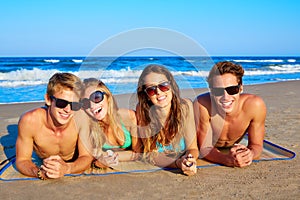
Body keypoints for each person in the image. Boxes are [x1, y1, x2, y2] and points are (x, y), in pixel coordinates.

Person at [16, 72, 93, 180]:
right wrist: (39, 172)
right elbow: (22, 160)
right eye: (62, 103)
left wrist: (67, 169)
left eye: (74, 105)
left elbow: (86, 157)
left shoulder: (82, 119)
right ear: (48, 99)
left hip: (74, 159)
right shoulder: (30, 121)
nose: (68, 110)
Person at [193, 61, 266, 167]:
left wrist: (250, 154)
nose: (225, 97)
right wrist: (226, 159)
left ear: (240, 88)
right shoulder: (202, 105)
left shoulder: (255, 106)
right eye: (218, 91)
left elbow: (256, 145)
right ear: (211, 91)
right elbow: (205, 148)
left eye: (232, 89)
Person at [136, 64, 198, 176]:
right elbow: (151, 155)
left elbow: (192, 148)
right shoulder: (142, 111)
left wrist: (190, 161)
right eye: (151, 89)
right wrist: (178, 163)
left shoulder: (185, 107)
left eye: (163, 85)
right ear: (146, 95)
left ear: (172, 86)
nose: (159, 92)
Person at [81, 78, 139, 169]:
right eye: (85, 103)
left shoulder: (128, 116)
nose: (92, 106)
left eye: (96, 97)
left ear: (107, 96)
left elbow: (137, 153)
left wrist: (106, 156)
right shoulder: (88, 128)